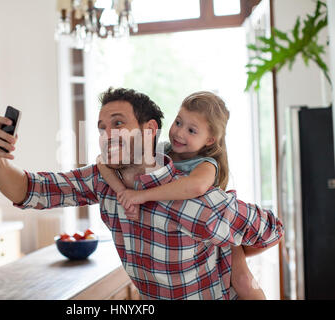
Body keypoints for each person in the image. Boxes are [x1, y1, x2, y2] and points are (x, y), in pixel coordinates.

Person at [0, 87, 284, 300]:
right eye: (101, 128)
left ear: (150, 130)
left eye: (118, 123)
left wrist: (232, 254)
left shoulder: (198, 201)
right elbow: (34, 189)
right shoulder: (103, 181)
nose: (107, 134)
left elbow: (272, 230)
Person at [97, 91, 266, 299]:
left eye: (191, 130)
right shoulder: (163, 152)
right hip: (189, 241)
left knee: (243, 281)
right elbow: (101, 162)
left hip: (218, 232)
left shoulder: (206, 165)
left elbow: (193, 188)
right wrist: (124, 192)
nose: (179, 133)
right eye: (178, 122)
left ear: (210, 140)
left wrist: (142, 196)